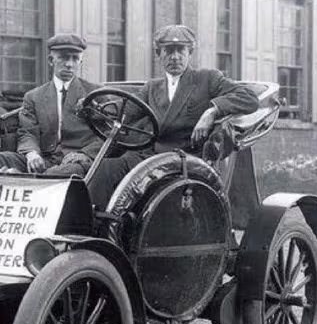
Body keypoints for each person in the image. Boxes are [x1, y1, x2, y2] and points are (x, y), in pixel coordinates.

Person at [87, 24, 260, 209]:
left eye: (181, 50)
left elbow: (249, 98)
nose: (175, 57)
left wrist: (212, 111)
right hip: (149, 156)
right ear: (159, 54)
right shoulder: (151, 88)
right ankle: (98, 227)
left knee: (137, 185)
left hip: (185, 160)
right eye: (168, 51)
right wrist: (95, 109)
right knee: (105, 169)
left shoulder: (207, 79)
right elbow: (125, 112)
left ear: (190, 52)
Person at [0, 33, 103, 177]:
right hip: (45, 159)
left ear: (80, 62)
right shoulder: (34, 96)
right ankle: (18, 181)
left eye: (75, 59)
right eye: (64, 57)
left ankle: (23, 179)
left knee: (60, 172)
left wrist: (85, 154)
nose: (69, 64)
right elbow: (27, 132)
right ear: (51, 60)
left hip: (78, 162)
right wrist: (31, 153)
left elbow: (109, 134)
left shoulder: (95, 93)